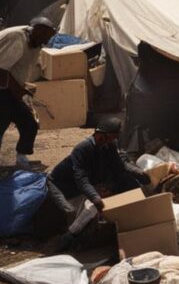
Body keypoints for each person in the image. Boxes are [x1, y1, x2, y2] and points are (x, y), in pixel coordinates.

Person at [48, 118, 152, 251]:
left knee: (106, 196)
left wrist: (140, 174)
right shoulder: (82, 149)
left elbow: (119, 167)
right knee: (73, 212)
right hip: (63, 185)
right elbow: (81, 178)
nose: (112, 141)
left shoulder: (109, 145)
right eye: (110, 137)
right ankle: (66, 239)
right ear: (100, 135)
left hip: (87, 182)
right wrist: (94, 196)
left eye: (114, 138)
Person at [0, 18, 57, 169]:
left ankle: (21, 159)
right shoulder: (17, 38)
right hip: (3, 89)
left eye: (49, 37)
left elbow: (22, 68)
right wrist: (17, 90)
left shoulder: (35, 42)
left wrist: (23, 86)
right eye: (46, 35)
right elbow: (1, 69)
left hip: (9, 89)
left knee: (29, 124)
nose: (47, 40)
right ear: (37, 29)